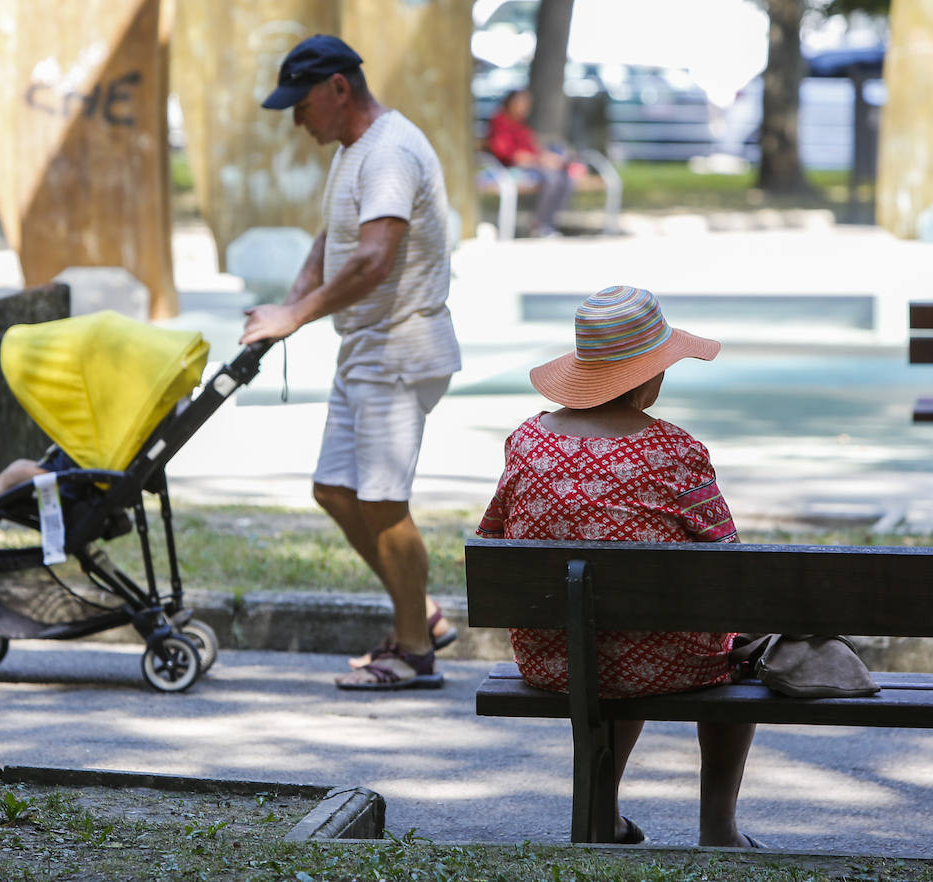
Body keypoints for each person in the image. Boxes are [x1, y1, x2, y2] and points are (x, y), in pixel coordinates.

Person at [475, 285, 760, 848]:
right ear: (648, 376)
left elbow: (491, 537)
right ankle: (719, 828)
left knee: (609, 629)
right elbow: (729, 562)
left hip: (554, 657)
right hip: (667, 661)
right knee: (724, 646)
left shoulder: (528, 440)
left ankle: (600, 816)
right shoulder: (675, 451)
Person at [241, 35, 462, 691]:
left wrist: (294, 317)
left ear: (339, 88)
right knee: (335, 491)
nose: (296, 121)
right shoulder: (357, 151)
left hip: (400, 347)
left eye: (301, 104)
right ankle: (418, 612)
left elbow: (373, 259)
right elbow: (336, 238)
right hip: (365, 348)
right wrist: (292, 300)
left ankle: (415, 652)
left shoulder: (391, 152)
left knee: (384, 502)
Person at [484, 89, 575, 237]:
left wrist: (547, 159)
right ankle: (538, 225)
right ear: (511, 102)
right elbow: (508, 154)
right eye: (522, 102)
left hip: (532, 165)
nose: (525, 107)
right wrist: (539, 160)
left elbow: (533, 149)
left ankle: (548, 223)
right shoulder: (499, 121)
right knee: (552, 178)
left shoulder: (521, 124)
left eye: (527, 103)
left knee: (565, 177)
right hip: (508, 169)